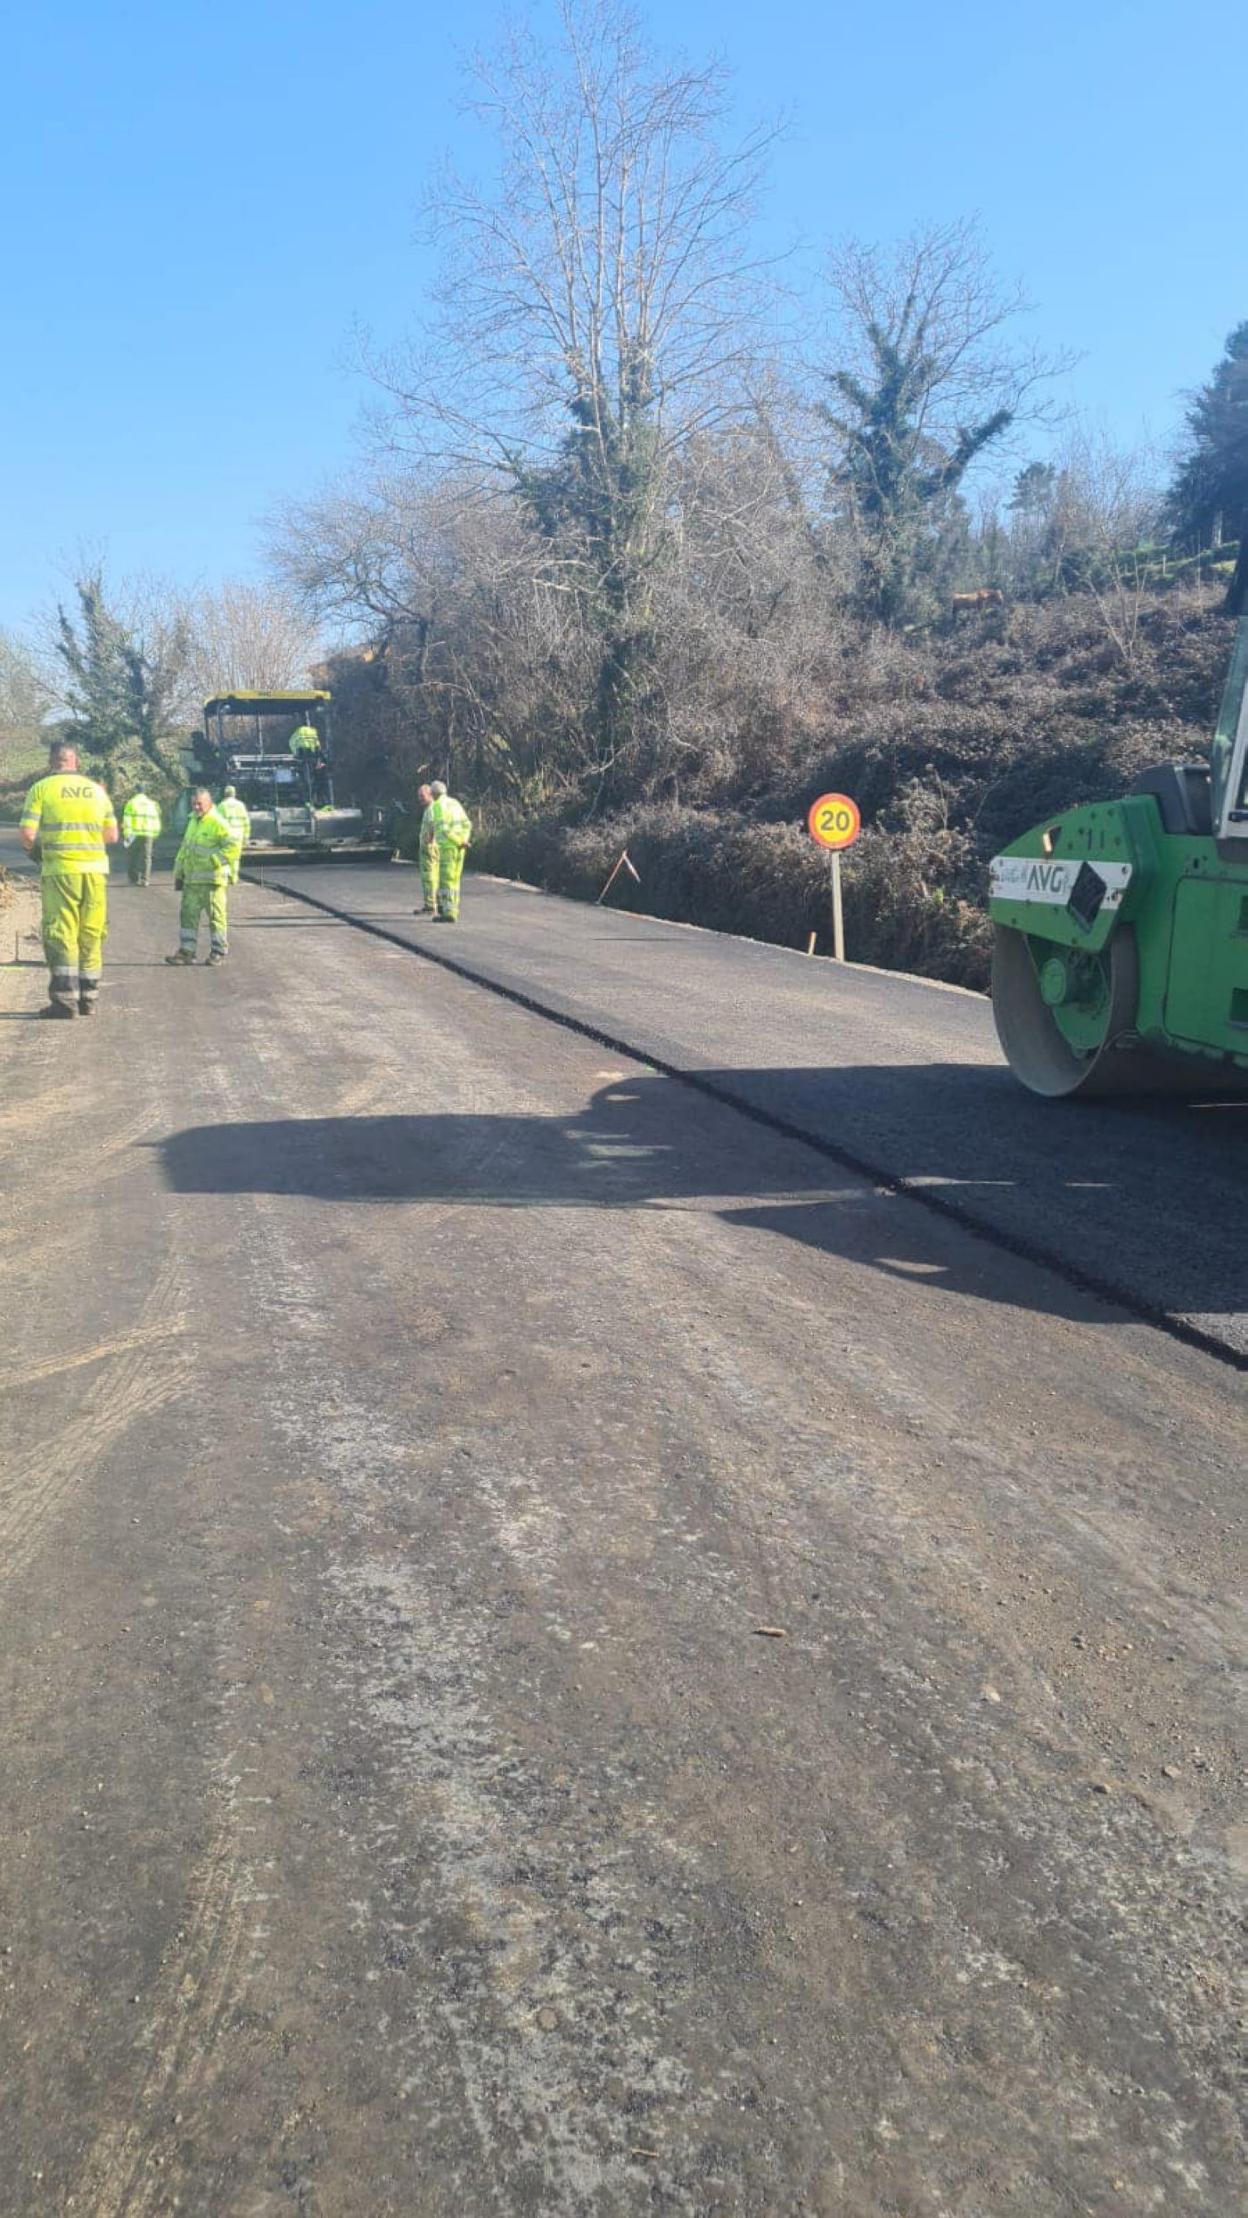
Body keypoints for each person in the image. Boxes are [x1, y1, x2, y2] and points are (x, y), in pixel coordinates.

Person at [19, 740, 119, 1017]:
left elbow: (27, 835)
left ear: (52, 762)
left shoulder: (42, 789)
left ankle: (64, 1002)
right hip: (96, 871)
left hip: (61, 871)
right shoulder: (97, 792)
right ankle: (89, 998)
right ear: (76, 761)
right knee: (91, 932)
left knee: (61, 932)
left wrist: (38, 852)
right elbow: (112, 836)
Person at [167, 788, 236, 967]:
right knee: (188, 916)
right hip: (192, 881)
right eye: (194, 804)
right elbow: (186, 848)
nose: (196, 807)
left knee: (216, 917)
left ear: (209, 803)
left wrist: (214, 861)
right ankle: (187, 952)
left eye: (200, 804)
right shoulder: (193, 821)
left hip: (211, 881)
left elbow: (233, 847)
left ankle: (218, 951)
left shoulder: (217, 822)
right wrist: (179, 871)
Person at [427, 781, 472, 922]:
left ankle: (449, 912)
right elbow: (467, 824)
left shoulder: (437, 806)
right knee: (455, 881)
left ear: (433, 794)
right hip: (461, 848)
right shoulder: (455, 804)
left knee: (446, 881)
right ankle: (452, 908)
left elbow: (444, 830)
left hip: (448, 848)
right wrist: (464, 840)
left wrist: (457, 842)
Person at [121, 787, 162, 885]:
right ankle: (145, 880)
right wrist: (155, 833)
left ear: (136, 792)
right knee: (147, 857)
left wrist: (127, 833)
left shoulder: (131, 803)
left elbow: (127, 819)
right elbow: (156, 819)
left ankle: (133, 878)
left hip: (134, 833)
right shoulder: (152, 804)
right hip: (148, 833)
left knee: (133, 856)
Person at [218, 785, 251, 883]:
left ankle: (225, 877)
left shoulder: (221, 805)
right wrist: (246, 836)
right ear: (234, 793)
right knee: (235, 858)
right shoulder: (241, 805)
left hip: (226, 835)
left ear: (225, 794)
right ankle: (234, 878)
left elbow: (218, 822)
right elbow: (246, 821)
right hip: (238, 834)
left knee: (225, 857)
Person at [413, 783, 437, 914]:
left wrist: (431, 839)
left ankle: (430, 905)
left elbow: (434, 824)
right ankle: (432, 903)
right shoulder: (428, 809)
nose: (420, 799)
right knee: (429, 876)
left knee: (429, 876)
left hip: (430, 848)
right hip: (428, 847)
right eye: (419, 796)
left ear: (430, 795)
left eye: (422, 796)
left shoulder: (432, 809)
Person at [289, 720, 320, 800]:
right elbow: (317, 743)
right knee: (314, 776)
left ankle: (307, 795)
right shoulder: (313, 731)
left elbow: (291, 742)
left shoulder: (299, 731)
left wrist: (295, 753)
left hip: (303, 755)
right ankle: (314, 795)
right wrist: (318, 753)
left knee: (304, 777)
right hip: (313, 756)